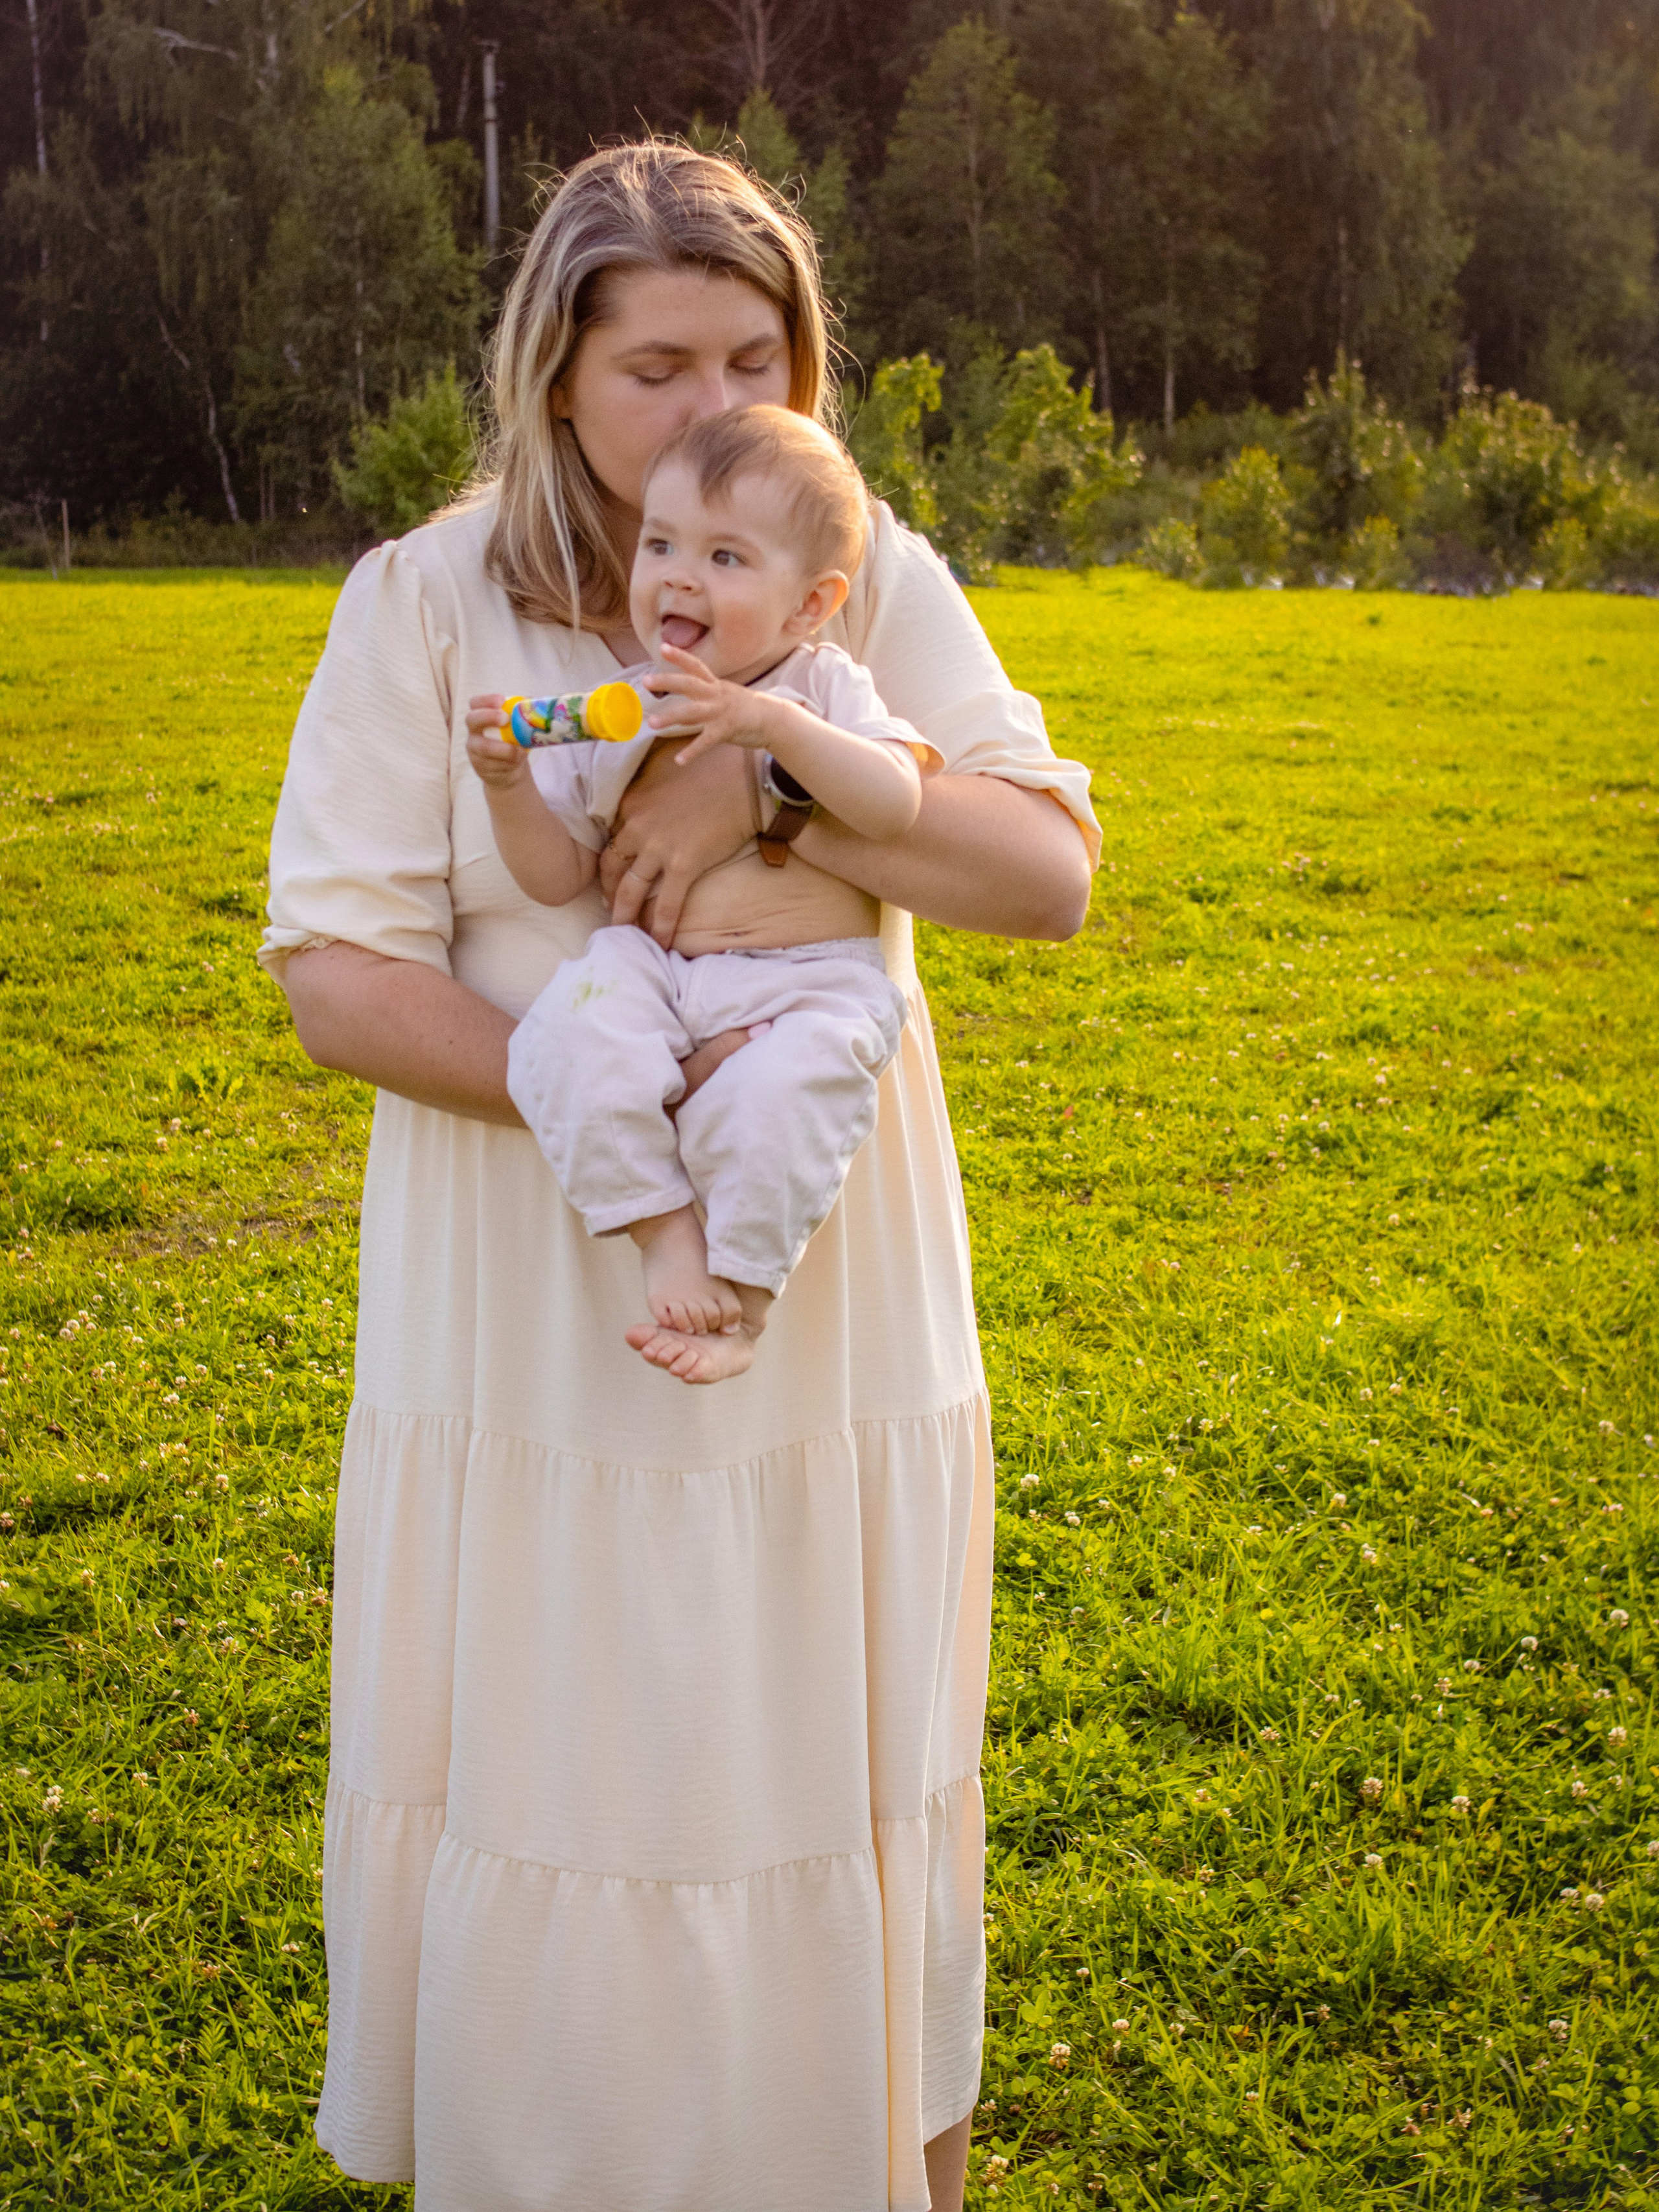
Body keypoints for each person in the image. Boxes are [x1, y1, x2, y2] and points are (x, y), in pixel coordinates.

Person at [262, 137, 1098, 2212]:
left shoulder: (855, 569)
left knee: (832, 1776)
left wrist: (775, 782)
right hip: (531, 1306)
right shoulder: (425, 600)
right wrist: (599, 1096)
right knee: (572, 1781)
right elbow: (340, 978)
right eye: (657, 365)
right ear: (560, 375)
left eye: (762, 353)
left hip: (825, 1286)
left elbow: (1048, 872)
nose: (719, 401)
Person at [473, 405, 939, 1385]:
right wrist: (509, 785)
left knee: (783, 1104)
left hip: (806, 987)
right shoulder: (629, 705)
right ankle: (661, 1229)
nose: (679, 574)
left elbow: (894, 802)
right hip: (664, 970)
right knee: (562, 1035)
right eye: (662, 543)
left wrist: (768, 728)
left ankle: (748, 1295)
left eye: (726, 557)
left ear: (809, 605)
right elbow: (557, 873)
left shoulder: (822, 689)